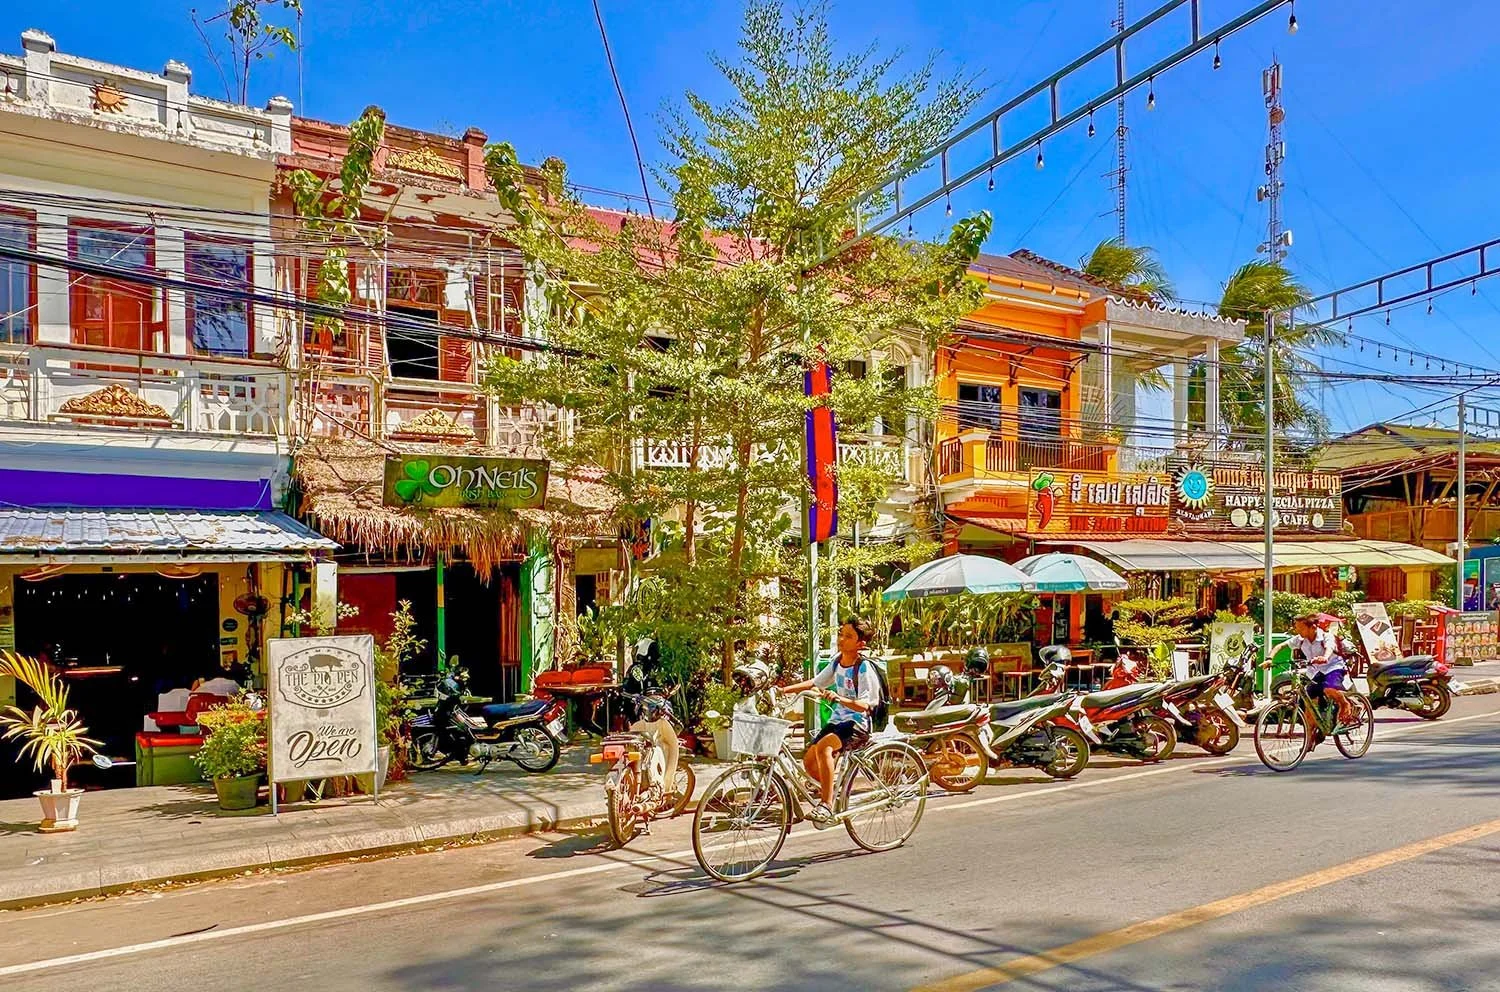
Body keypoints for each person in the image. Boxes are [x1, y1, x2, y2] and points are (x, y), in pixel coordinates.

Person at [783, 617, 881, 826]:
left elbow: (866, 704)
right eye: (841, 634)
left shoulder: (864, 668)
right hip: (838, 721)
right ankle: (831, 791)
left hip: (857, 724)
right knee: (809, 762)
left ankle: (826, 805)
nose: (841, 639)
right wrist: (783, 690)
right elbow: (816, 682)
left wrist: (840, 698)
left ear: (860, 644)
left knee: (824, 748)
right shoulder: (837, 661)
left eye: (848, 636)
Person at [1289, 613, 1356, 729]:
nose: (1297, 630)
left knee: (1328, 688)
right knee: (1309, 702)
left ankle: (1345, 703)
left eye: (1300, 628)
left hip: (1333, 667)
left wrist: (1325, 657)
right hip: (1315, 672)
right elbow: (1280, 646)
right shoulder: (1300, 639)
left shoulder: (1326, 636)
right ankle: (1310, 740)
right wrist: (1269, 659)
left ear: (1313, 627)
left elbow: (1329, 648)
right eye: (1297, 627)